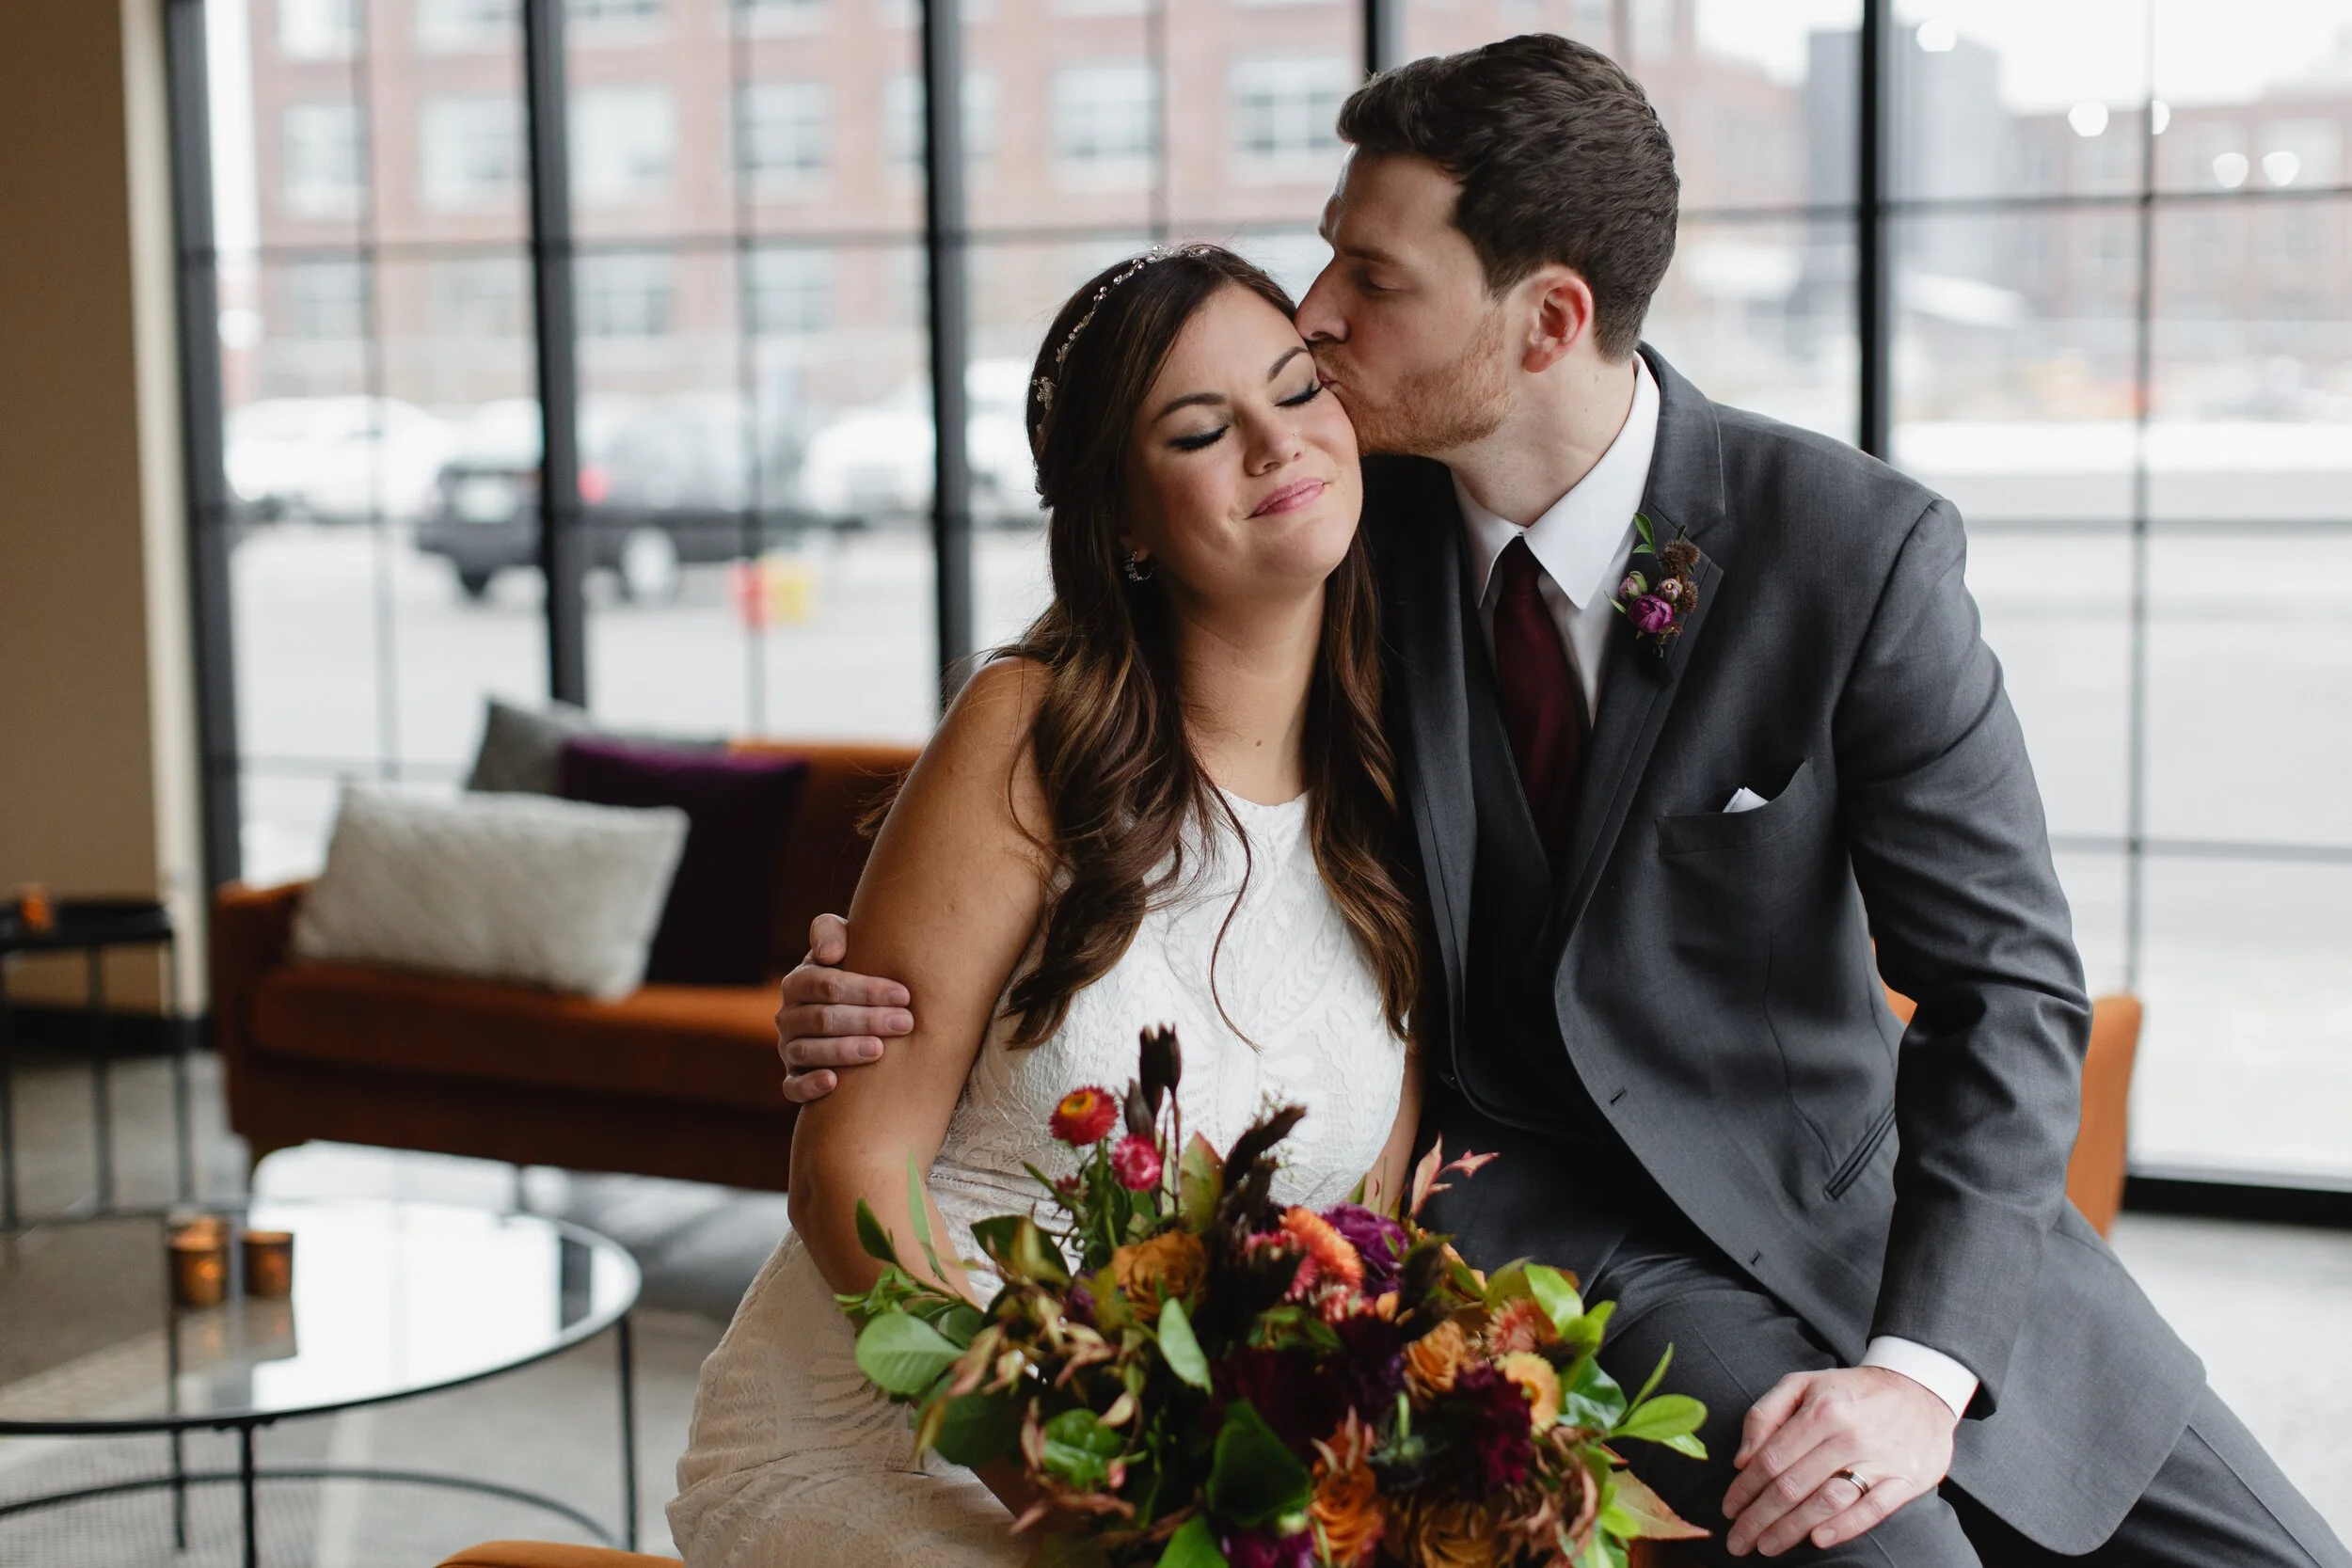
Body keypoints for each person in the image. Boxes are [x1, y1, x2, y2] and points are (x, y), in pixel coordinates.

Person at [773, 33, 2350, 1568]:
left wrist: (1923, 1368)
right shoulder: (1330, 515)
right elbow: (1113, 721)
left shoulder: (1846, 550)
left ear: (1548, 322)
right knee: (1888, 1550)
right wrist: (875, 989)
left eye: (1374, 281)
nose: (1314, 324)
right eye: (1328, 259)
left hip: (1870, 1219)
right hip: (1565, 1246)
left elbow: (2006, 987)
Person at [666, 245, 1426, 1566]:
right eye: (1199, 429)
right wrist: (1050, 1466)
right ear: (1124, 520)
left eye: (1298, 389)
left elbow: (1371, 1235)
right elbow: (849, 1168)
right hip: (905, 1424)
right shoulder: (1030, 728)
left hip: (1188, 1482)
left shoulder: (1408, 788)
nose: (1274, 443)